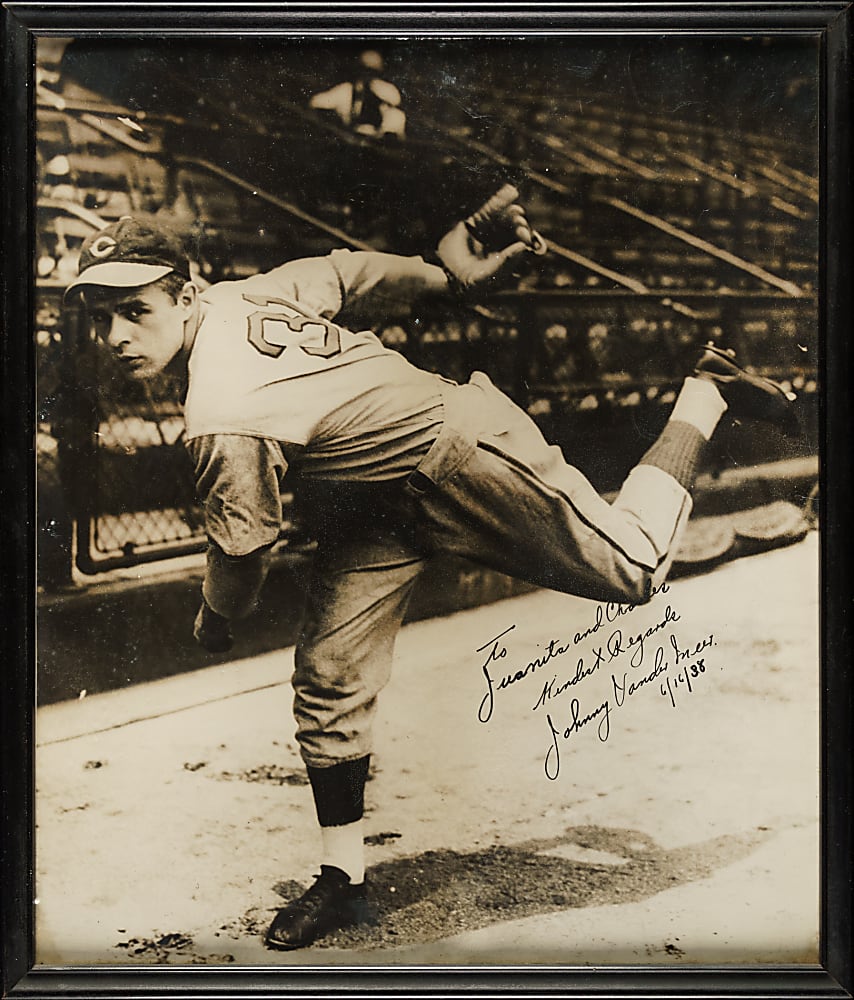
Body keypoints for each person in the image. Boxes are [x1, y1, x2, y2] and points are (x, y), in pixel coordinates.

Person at [62, 187, 796, 951]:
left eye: (134, 310)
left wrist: (215, 618)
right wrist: (447, 275)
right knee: (329, 676)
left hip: (457, 452)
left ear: (184, 295)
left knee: (634, 569)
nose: (115, 334)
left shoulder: (219, 408)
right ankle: (343, 879)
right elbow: (347, 275)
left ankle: (704, 393)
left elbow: (243, 559)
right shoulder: (246, 293)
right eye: (100, 316)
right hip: (365, 500)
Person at [308, 49, 406, 140]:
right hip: (350, 140)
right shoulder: (346, 89)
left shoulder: (388, 90)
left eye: (372, 72)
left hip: (379, 141)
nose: (367, 76)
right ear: (358, 71)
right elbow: (315, 103)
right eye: (364, 71)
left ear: (379, 73)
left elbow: (397, 120)